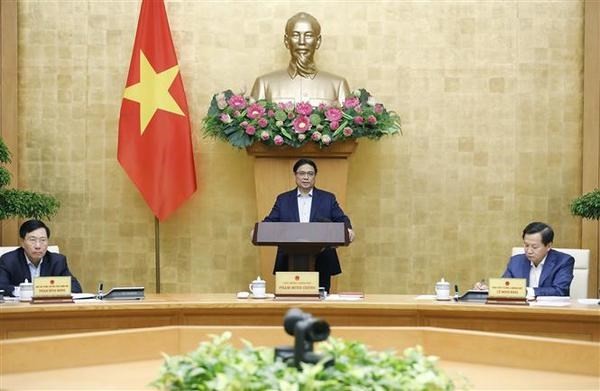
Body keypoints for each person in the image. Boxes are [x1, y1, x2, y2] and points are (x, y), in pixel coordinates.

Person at [262, 158, 355, 292]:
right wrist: (259, 230)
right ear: (295, 175)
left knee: (321, 304)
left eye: (310, 174)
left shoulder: (327, 198)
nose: (306, 177)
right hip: (289, 259)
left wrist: (348, 229)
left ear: (315, 176)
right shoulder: (283, 199)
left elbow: (341, 218)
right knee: (290, 303)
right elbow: (271, 221)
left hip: (322, 259)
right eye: (302, 173)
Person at [250, 12, 350, 106]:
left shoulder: (338, 85)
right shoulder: (264, 84)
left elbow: (348, 122)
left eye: (308, 35)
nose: (302, 42)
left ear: (318, 41)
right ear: (286, 41)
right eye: (295, 35)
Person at [476, 222, 574, 297]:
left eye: (534, 247)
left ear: (548, 246)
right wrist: (489, 290)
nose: (529, 251)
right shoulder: (516, 261)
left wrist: (527, 291)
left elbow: (560, 290)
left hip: (551, 313)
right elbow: (505, 287)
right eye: (526, 245)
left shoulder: (564, 261)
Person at [0, 219, 82, 296]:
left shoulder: (57, 261)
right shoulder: (8, 261)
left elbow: (76, 289)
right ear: (22, 242)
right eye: (32, 240)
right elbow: (1, 287)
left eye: (43, 240)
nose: (38, 246)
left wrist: (46, 291)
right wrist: (25, 291)